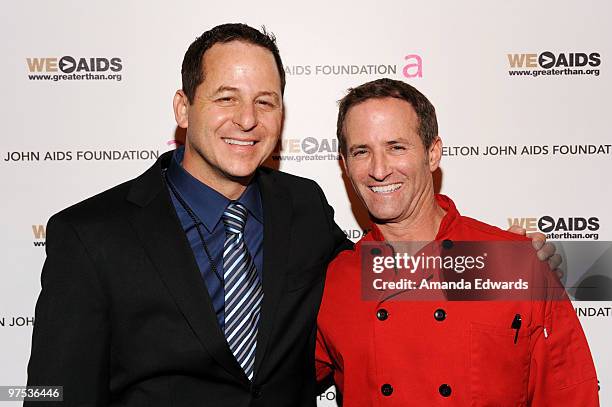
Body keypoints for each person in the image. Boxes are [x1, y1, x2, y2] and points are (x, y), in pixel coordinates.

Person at [26, 24, 557, 406]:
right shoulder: (90, 234)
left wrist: (514, 262)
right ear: (183, 108)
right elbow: (54, 395)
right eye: (226, 98)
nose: (247, 120)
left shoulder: (301, 206)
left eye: (267, 101)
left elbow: (384, 274)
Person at [315, 78, 599, 406]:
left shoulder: (511, 263)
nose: (379, 170)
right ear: (345, 164)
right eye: (361, 151)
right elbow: (273, 379)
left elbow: (569, 395)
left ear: (432, 153)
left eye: (396, 147)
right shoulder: (335, 279)